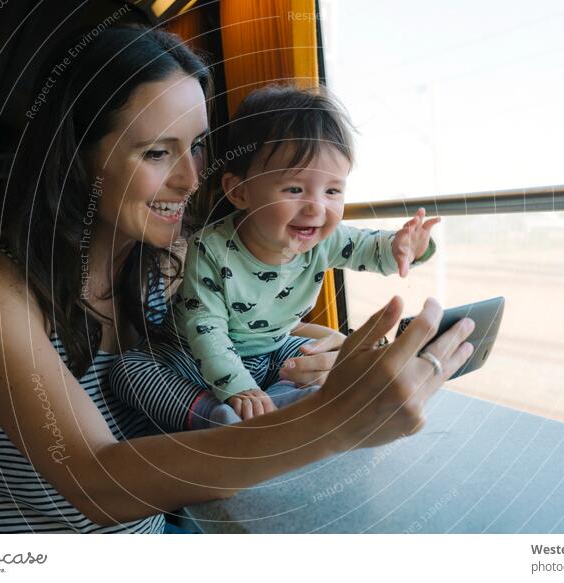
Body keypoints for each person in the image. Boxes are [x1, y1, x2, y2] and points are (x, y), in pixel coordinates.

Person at [0, 25, 475, 533]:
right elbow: (94, 480)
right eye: (159, 152)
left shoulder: (165, 261)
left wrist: (326, 346)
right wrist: (334, 421)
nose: (192, 179)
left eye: (198, 147)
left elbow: (231, 327)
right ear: (77, 158)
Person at [111, 85, 440, 428]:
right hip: (189, 355)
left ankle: (286, 404)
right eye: (294, 189)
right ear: (239, 191)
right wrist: (236, 387)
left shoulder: (324, 241)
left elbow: (372, 248)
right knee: (128, 371)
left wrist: (408, 247)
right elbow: (205, 327)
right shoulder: (211, 247)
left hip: (273, 351)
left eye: (332, 191)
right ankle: (210, 415)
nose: (316, 207)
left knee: (323, 362)